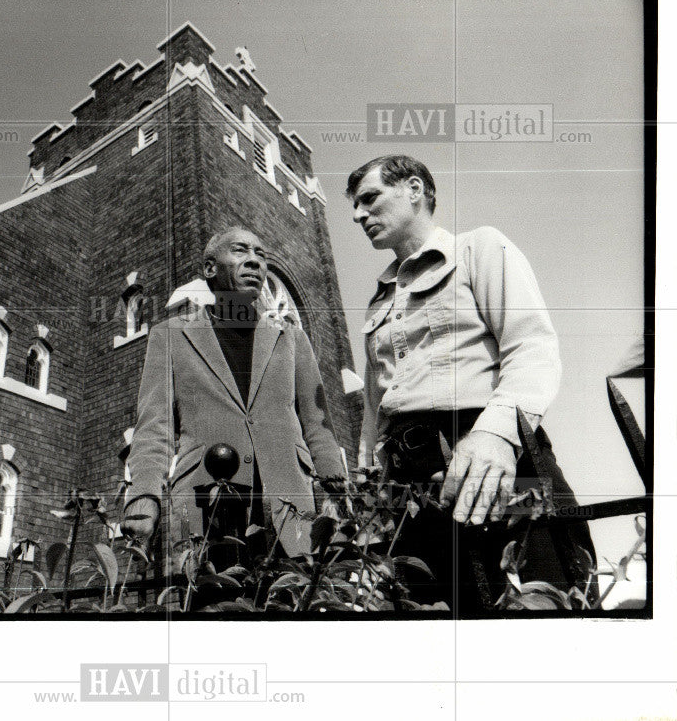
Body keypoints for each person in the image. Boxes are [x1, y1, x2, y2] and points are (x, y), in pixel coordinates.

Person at [346, 154, 596, 612]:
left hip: (496, 456)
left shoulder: (479, 248)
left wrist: (495, 435)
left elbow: (532, 348)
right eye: (355, 205)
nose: (357, 214)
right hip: (409, 490)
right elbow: (374, 411)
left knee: (542, 610)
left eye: (369, 198)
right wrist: (370, 495)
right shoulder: (376, 304)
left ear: (415, 190)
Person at [120, 227, 347, 570]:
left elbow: (317, 425)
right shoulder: (170, 336)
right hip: (206, 509)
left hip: (291, 508)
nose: (255, 261)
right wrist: (144, 495)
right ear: (210, 268)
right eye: (241, 251)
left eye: (261, 255)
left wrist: (336, 493)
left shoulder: (292, 339)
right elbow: (154, 427)